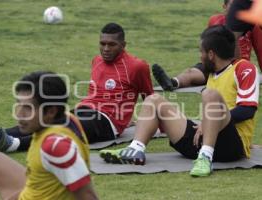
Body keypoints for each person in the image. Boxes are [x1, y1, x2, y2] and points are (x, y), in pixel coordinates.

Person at [0, 22, 153, 152]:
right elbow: (96, 95)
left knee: (62, 130)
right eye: (102, 43)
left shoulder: (137, 66)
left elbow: (150, 100)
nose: (105, 49)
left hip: (107, 122)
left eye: (112, 44)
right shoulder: (96, 60)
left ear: (123, 44)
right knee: (42, 119)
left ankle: (14, 145)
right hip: (84, 110)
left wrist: (143, 123)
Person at [100, 25, 260, 177]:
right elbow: (191, 74)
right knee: (153, 99)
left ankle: (205, 157)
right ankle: (135, 149)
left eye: (201, 52)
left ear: (211, 54)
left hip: (231, 146)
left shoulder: (244, 68)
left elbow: (247, 110)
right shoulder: (211, 71)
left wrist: (207, 123)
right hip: (202, 137)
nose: (200, 56)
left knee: (209, 94)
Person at [0, 71, 98, 200]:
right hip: (37, 192)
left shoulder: (57, 146)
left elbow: (88, 196)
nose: (19, 114)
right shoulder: (67, 120)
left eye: (28, 108)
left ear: (50, 111)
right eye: (19, 105)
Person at [152, 0, 259, 91]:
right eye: (232, 7)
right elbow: (208, 45)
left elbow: (259, 50)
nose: (235, 12)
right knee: (191, 72)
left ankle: (230, 78)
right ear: (225, 8)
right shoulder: (216, 21)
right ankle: (172, 82)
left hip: (236, 67)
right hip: (214, 63)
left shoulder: (251, 25)